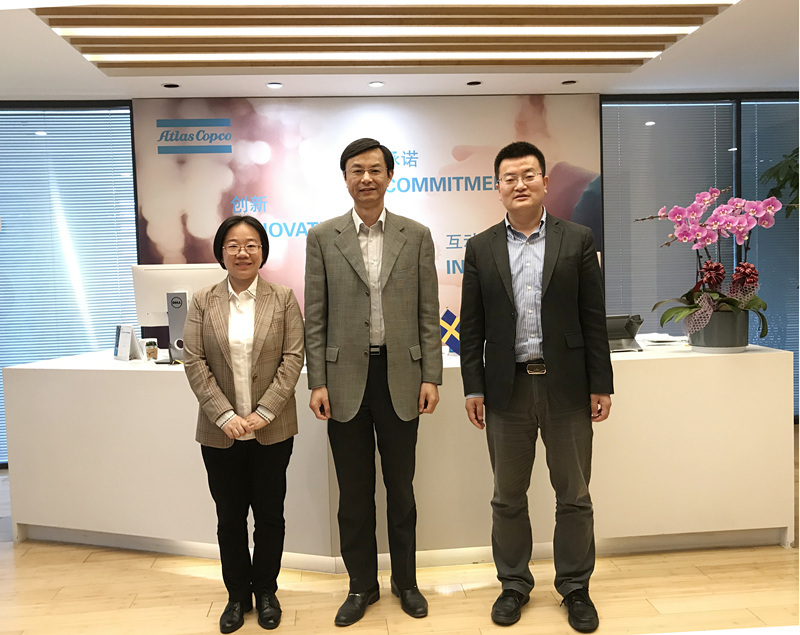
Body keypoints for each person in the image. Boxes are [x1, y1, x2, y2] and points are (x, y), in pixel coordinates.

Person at [459, 141, 613, 632]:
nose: (519, 184)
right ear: (497, 187)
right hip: (507, 391)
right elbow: (471, 328)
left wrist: (601, 382)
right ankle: (513, 584)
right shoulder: (481, 247)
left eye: (528, 175)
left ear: (545, 182)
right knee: (507, 496)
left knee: (575, 495)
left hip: (568, 388)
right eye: (510, 177)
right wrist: (473, 388)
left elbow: (593, 317)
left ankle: (575, 587)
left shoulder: (578, 239)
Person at [304, 138, 443, 627]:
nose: (366, 178)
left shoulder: (416, 235)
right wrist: (317, 381)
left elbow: (428, 312)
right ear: (345, 177)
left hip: (401, 376)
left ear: (389, 176)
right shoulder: (323, 237)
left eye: (375, 169)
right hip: (343, 382)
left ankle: (406, 582)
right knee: (354, 494)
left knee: (401, 489)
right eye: (357, 170)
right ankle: (361, 585)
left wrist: (431, 375)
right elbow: (316, 316)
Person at [184, 214, 304, 633]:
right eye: (233, 245)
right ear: (221, 252)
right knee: (230, 518)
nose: (242, 252)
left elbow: (293, 358)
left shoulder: (283, 298)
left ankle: (267, 591)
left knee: (270, 515)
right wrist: (225, 415)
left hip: (272, 430)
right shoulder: (203, 300)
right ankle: (237, 596)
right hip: (220, 433)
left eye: (251, 244)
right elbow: (194, 361)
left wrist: (263, 412)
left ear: (263, 252)